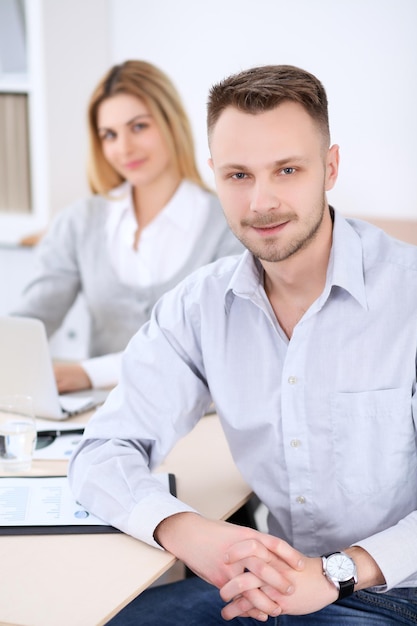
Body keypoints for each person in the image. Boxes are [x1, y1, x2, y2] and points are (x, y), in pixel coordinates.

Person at [68, 64, 417, 625]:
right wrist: (186, 532)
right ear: (214, 175)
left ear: (329, 167)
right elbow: (100, 453)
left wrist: (336, 573)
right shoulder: (199, 306)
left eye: (286, 169)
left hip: (397, 593)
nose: (262, 201)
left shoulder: (409, 295)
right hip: (267, 589)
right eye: (238, 175)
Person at [11, 60, 242, 393]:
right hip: (99, 414)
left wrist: (90, 373)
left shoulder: (227, 222)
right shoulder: (79, 222)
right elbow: (31, 319)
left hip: (199, 414)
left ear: (170, 122)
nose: (123, 148)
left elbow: (212, 342)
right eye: (109, 135)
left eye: (138, 127)